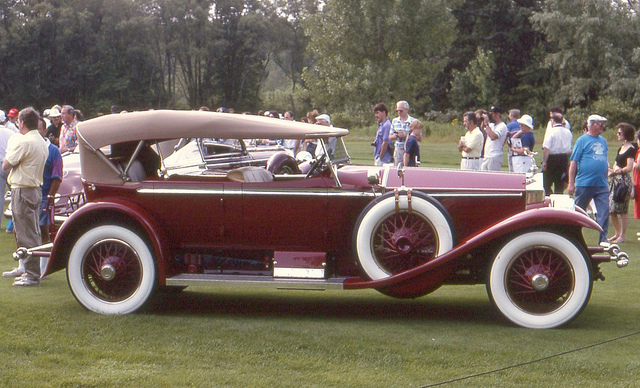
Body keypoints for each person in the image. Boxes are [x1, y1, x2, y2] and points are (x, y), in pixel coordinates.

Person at [1, 107, 49, 286]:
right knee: (28, 231)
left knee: (26, 234)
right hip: (34, 189)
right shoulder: (41, 141)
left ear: (21, 122)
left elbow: (6, 164)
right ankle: (25, 266)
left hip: (23, 190)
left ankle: (31, 273)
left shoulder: (25, 142)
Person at [568, 114, 609, 243]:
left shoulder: (603, 141)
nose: (602, 126)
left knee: (604, 212)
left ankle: (603, 239)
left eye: (603, 123)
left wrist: (606, 179)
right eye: (599, 123)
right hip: (585, 183)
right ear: (590, 125)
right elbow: (573, 162)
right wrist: (571, 182)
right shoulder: (582, 140)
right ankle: (573, 236)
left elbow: (605, 161)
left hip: (601, 184)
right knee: (578, 212)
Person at [607, 123, 636, 243]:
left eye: (620, 133)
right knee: (611, 209)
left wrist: (619, 171)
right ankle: (617, 233)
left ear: (626, 134)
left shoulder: (631, 149)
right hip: (615, 180)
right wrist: (613, 170)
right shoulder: (621, 148)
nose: (617, 135)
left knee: (622, 209)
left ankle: (622, 236)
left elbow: (629, 167)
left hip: (623, 182)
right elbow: (616, 163)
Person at [541, 111, 573, 194]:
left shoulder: (551, 132)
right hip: (563, 158)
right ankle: (557, 199)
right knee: (559, 183)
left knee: (546, 183)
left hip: (552, 158)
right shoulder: (568, 132)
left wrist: (544, 161)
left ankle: (549, 198)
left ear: (553, 121)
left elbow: (546, 148)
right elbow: (569, 148)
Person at [481, 106, 508, 171]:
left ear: (498, 114)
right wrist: (483, 122)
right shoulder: (492, 125)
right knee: (483, 177)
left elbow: (493, 136)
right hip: (487, 156)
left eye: (491, 114)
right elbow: (483, 132)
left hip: (494, 156)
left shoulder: (502, 126)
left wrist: (487, 124)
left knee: (493, 178)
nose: (490, 116)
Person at [0, 114, 15, 229]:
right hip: (10, 163)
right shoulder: (11, 133)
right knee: (15, 195)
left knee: (1, 197)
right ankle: (16, 222)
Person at [389, 101, 415, 167]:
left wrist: (406, 135)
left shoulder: (413, 121)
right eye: (397, 111)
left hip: (409, 150)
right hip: (398, 149)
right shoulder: (395, 121)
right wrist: (396, 135)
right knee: (397, 168)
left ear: (406, 110)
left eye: (401, 111)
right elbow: (390, 136)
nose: (399, 113)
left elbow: (419, 137)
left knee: (409, 168)